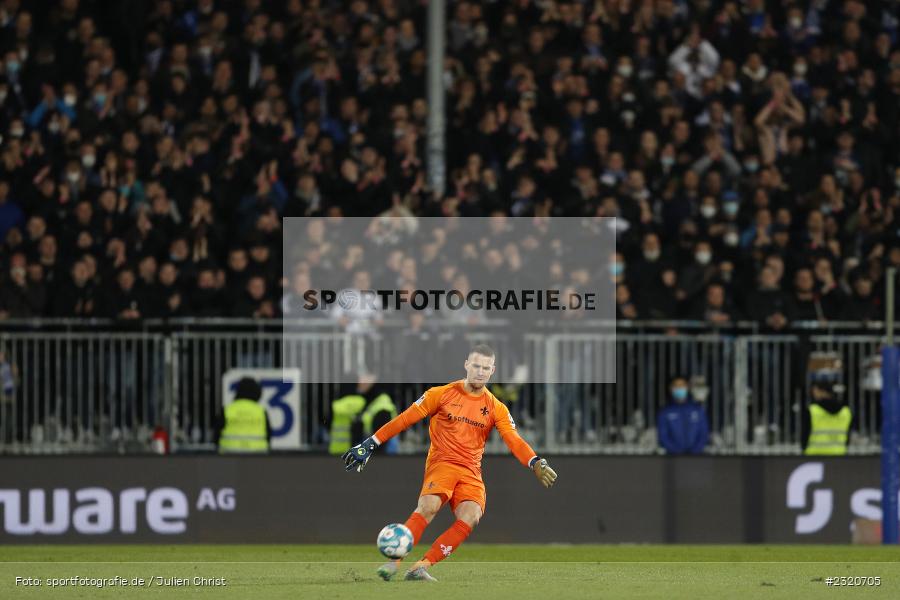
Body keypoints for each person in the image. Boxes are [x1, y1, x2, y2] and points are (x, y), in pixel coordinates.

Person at [342, 344, 557, 582]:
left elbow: (513, 440)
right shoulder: (440, 394)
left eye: (486, 368)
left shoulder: (496, 407)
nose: (480, 371)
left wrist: (535, 461)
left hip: (471, 470)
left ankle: (420, 567)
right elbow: (404, 419)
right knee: (429, 507)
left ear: (492, 371)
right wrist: (371, 443)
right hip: (442, 463)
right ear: (466, 365)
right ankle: (394, 563)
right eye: (476, 365)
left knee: (471, 516)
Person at [215, 377, 271, 454]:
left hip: (229, 455)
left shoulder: (227, 410)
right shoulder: (261, 411)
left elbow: (216, 435)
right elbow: (268, 436)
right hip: (257, 456)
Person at [657, 376, 710, 455]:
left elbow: (704, 434)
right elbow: (663, 436)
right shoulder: (665, 412)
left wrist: (694, 451)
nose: (679, 388)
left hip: (696, 457)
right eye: (676, 386)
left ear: (687, 387)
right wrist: (677, 452)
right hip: (672, 458)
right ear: (671, 388)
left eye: (682, 385)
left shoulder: (698, 410)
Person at [801, 376, 852, 456]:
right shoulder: (846, 411)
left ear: (819, 390)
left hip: (814, 455)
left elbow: (805, 435)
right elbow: (847, 435)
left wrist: (804, 449)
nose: (813, 393)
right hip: (839, 454)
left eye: (814, 390)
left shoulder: (812, 410)